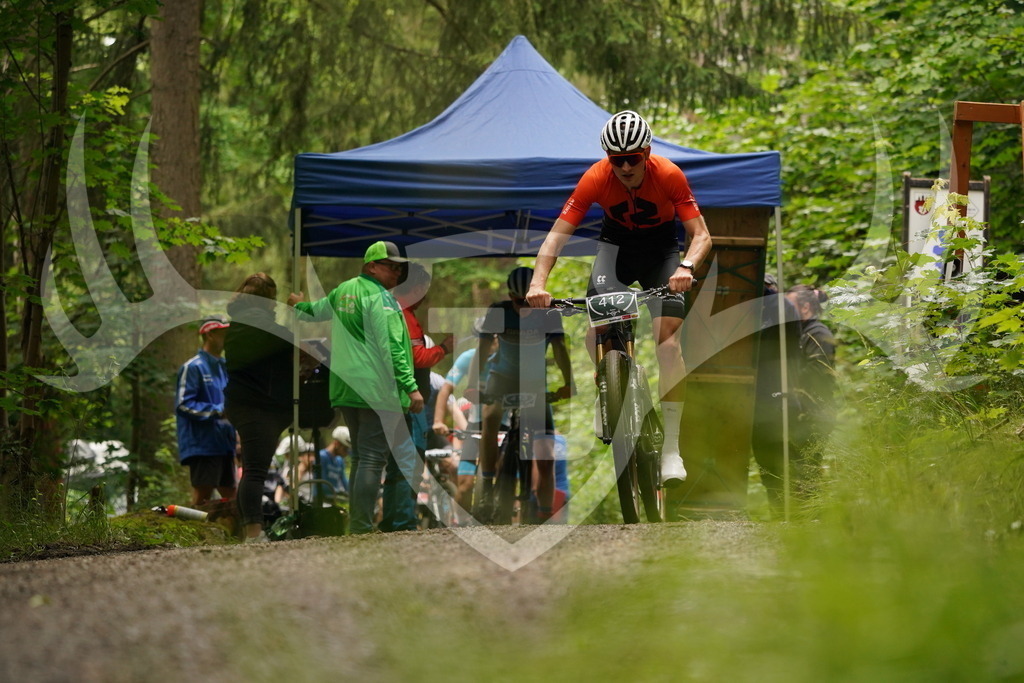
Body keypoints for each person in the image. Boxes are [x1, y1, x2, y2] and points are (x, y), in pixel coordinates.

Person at [525, 110, 713, 488]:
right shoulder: (596, 177)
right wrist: (537, 283)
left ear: (646, 152)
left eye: (632, 159)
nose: (625, 167)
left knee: (668, 344)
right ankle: (606, 391)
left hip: (662, 253)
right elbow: (556, 238)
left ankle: (672, 449)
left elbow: (702, 235)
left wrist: (687, 268)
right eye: (617, 160)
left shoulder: (669, 174)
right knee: (597, 327)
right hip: (616, 249)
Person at [294, 240, 424, 534]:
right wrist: (411, 386)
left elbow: (313, 312)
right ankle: (361, 527)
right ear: (371, 266)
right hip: (375, 389)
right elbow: (392, 347)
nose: (396, 273)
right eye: (390, 267)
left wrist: (296, 304)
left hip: (345, 388)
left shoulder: (343, 290)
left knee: (359, 457)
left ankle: (358, 523)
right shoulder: (383, 300)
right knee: (372, 458)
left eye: (399, 268)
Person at [474, 266, 574, 524]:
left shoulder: (548, 314)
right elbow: (484, 347)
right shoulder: (499, 311)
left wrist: (568, 383)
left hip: (534, 381)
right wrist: (476, 381)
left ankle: (543, 510)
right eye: (519, 302)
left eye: (528, 301)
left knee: (545, 452)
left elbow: (560, 349)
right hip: (502, 376)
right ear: (510, 296)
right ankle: (486, 483)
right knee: (491, 414)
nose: (524, 307)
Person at [224, 272, 303, 543]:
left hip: (248, 403)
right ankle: (253, 533)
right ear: (267, 298)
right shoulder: (257, 324)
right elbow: (289, 341)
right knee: (256, 470)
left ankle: (252, 531)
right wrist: (293, 311)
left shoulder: (242, 322)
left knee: (254, 467)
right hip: (257, 405)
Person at [751, 274, 803, 518]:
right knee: (769, 459)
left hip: (777, 391)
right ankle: (781, 512)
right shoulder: (772, 306)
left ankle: (793, 512)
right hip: (768, 393)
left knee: (783, 457)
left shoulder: (779, 306)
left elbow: (790, 345)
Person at [175, 316, 237, 507]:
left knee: (230, 493)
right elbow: (183, 404)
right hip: (202, 442)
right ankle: (192, 534)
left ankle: (232, 535)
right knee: (204, 491)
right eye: (224, 333)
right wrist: (217, 411)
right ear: (210, 334)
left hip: (224, 442)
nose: (229, 337)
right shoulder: (193, 367)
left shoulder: (226, 367)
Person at [786, 284, 838, 500]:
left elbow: (817, 371)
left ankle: (810, 521)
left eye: (789, 307)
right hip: (804, 411)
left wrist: (787, 381)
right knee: (796, 469)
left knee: (806, 470)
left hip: (815, 414)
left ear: (805, 308)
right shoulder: (803, 333)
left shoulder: (818, 333)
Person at [319, 426, 351, 500]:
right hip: (321, 500)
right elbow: (321, 483)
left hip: (333, 499)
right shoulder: (322, 457)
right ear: (337, 444)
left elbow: (344, 481)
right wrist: (339, 492)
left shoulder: (339, 460)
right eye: (346, 448)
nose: (347, 452)